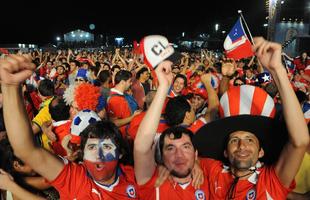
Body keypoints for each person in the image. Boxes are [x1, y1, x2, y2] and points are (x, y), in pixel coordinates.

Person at [0, 54, 139, 199]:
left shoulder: (132, 178)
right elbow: (25, 149)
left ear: (120, 153)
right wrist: (10, 87)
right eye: (91, 147)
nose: (99, 154)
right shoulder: (75, 178)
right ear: (82, 154)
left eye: (107, 147)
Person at [193, 37, 309, 199]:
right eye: (234, 140)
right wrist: (193, 163)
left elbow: (300, 141)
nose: (242, 146)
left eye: (249, 140)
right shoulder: (213, 171)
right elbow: (180, 155)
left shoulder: (271, 181)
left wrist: (277, 71)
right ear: (225, 152)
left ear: (261, 151)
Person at [134, 61, 210, 199]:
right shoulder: (153, 183)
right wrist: (163, 87)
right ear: (161, 156)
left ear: (196, 153)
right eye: (170, 148)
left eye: (186, 147)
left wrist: (197, 163)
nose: (179, 154)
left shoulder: (210, 181)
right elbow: (141, 148)